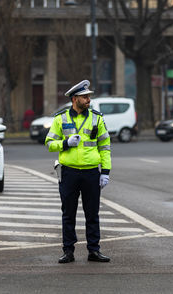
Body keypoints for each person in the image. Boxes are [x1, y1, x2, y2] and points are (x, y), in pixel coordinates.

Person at [45, 80, 111, 263]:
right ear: (75, 99)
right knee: (68, 214)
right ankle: (68, 251)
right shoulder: (61, 119)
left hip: (91, 173)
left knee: (92, 214)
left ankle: (94, 251)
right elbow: (49, 144)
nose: (88, 99)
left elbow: (105, 146)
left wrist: (105, 171)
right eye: (85, 97)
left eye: (89, 96)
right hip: (69, 173)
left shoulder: (97, 118)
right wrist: (65, 143)